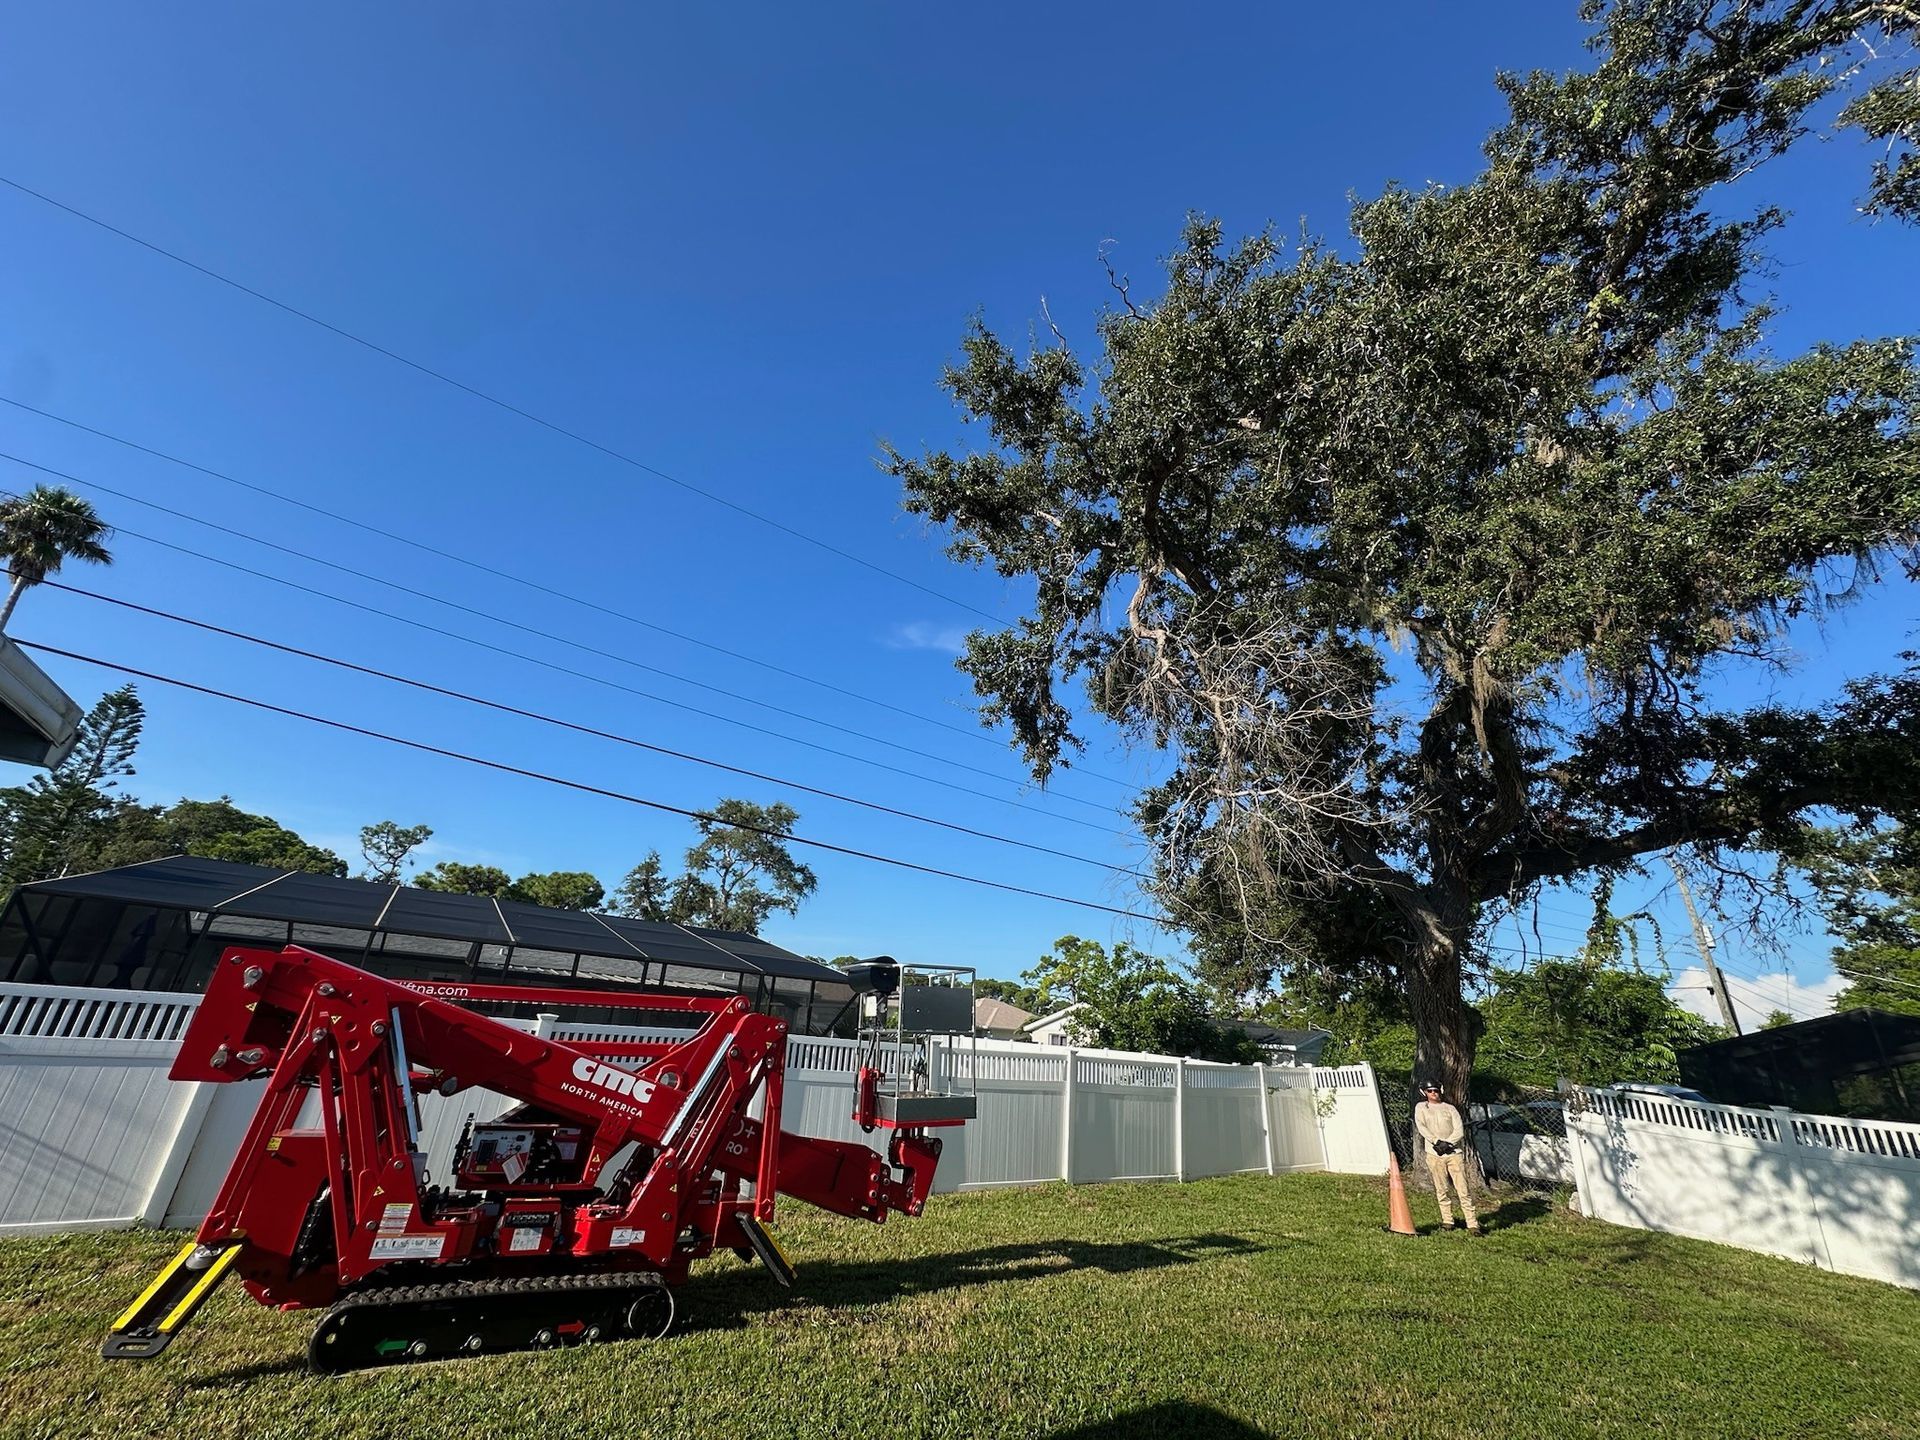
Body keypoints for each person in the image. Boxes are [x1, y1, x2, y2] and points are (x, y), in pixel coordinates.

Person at [1414, 1079, 1480, 1233]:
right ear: (1424, 1092)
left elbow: (1459, 1130)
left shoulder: (1450, 1108)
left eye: (1436, 1090)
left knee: (1463, 1189)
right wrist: (1436, 1142)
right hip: (1434, 1153)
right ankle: (1448, 1220)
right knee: (1441, 1188)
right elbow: (1421, 1126)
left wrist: (1448, 1143)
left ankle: (1472, 1223)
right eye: (1430, 1091)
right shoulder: (1421, 1108)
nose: (1433, 1094)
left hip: (1453, 1153)